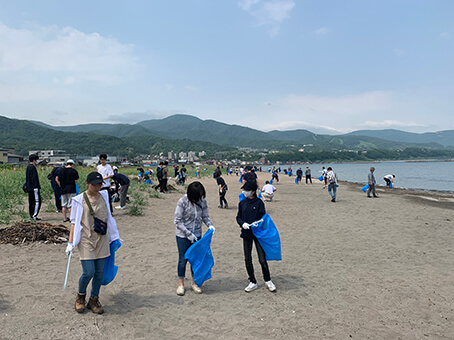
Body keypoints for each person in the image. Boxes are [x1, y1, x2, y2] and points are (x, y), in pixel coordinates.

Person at [65, 172, 120, 314]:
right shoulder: (78, 200)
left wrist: (114, 236)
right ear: (87, 183)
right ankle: (80, 297)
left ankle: (94, 299)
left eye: (99, 184)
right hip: (86, 239)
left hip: (102, 239)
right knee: (88, 271)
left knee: (99, 273)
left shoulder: (105, 196)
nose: (97, 187)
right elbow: (74, 223)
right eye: (93, 184)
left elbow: (109, 217)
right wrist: (70, 243)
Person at [174, 181, 215, 296]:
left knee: (195, 259)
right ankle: (181, 284)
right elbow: (177, 221)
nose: (200, 198)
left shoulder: (203, 201)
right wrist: (188, 233)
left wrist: (210, 225)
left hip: (197, 235)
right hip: (183, 235)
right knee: (183, 259)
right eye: (198, 196)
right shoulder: (183, 202)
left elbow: (205, 216)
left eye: (201, 195)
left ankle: (194, 283)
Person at [236, 181, 276, 293]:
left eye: (246, 190)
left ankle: (268, 280)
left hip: (258, 234)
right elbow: (238, 217)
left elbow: (263, 217)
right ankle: (252, 281)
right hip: (246, 233)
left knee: (262, 259)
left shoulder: (259, 203)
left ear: (253, 191)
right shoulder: (242, 203)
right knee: (247, 258)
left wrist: (256, 223)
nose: (244, 192)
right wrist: (242, 223)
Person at [26, 154, 42, 221]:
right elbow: (33, 178)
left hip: (30, 187)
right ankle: (34, 215)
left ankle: (32, 215)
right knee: (37, 202)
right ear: (34, 160)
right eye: (37, 160)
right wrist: (36, 187)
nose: (37, 161)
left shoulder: (28, 167)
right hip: (34, 188)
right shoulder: (32, 167)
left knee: (31, 201)